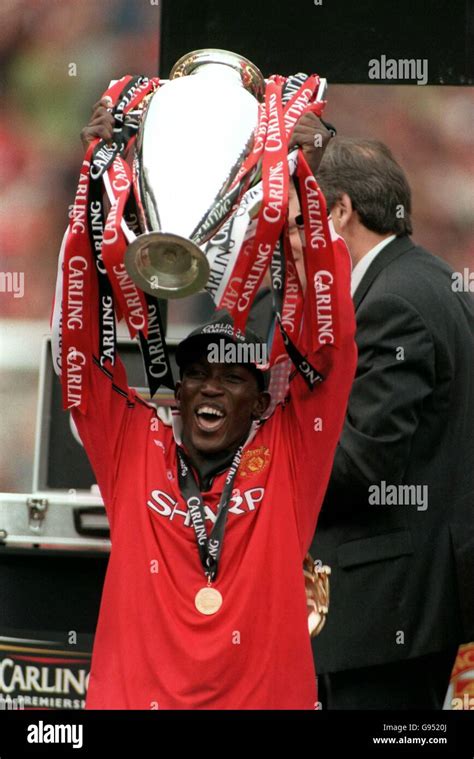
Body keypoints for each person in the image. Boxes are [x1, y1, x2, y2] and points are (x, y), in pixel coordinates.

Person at [57, 103, 357, 709]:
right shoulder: (132, 448)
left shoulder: (287, 455)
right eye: (196, 375)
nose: (211, 388)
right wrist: (95, 186)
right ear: (178, 391)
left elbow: (327, 348)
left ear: (262, 399)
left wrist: (304, 178)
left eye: (231, 378)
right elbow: (81, 350)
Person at [310, 137, 474, 709]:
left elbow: (365, 465)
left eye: (307, 216)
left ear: (342, 210)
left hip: (385, 608)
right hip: (419, 600)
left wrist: (270, 454)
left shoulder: (392, 302)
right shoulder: (434, 279)